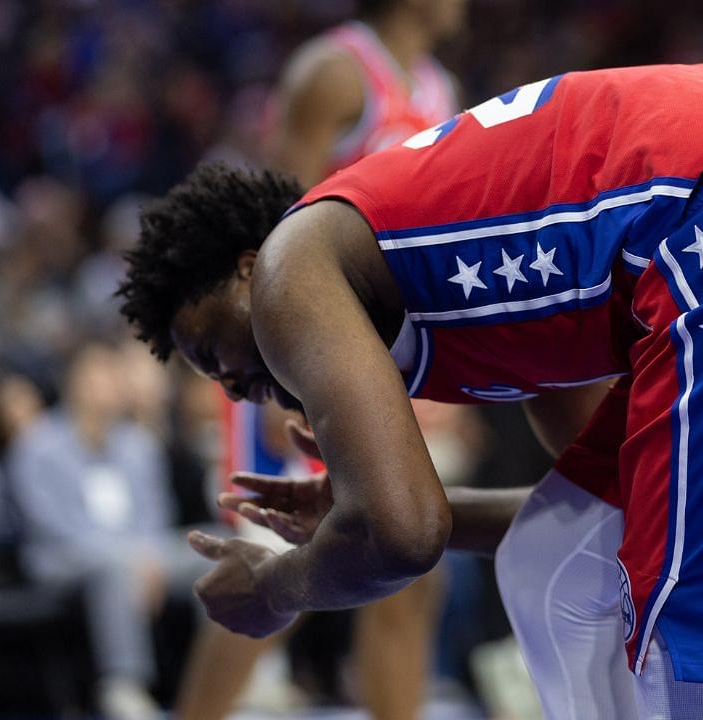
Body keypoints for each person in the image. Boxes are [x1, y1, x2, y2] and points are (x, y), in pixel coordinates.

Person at [117, 63, 703, 719]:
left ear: (245, 267)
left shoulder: (289, 265)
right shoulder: (467, 295)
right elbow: (620, 516)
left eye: (210, 347)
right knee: (556, 566)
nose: (232, 382)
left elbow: (399, 533)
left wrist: (276, 588)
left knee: (695, 665)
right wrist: (367, 518)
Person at [177, 1, 465, 718]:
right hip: (305, 352)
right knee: (278, 563)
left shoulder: (439, 87)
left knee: (412, 571)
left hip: (381, 357)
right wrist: (285, 376)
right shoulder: (334, 72)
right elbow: (272, 229)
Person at [6, 345, 214, 720]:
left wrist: (145, 558)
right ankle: (124, 686)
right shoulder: (37, 444)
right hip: (62, 558)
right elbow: (48, 523)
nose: (106, 386)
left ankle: (233, 673)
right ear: (74, 383)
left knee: (216, 549)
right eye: (96, 376)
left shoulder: (139, 446)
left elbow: (156, 515)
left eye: (112, 377)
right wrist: (129, 559)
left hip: (140, 556)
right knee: (115, 568)